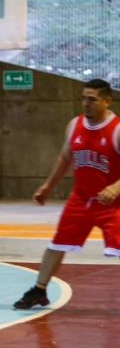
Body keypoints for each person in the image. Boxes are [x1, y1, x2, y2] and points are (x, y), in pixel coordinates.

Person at [14, 79, 120, 309]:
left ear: (107, 101)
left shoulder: (117, 129)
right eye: (84, 98)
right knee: (57, 244)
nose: (86, 103)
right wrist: (48, 186)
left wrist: (116, 187)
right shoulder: (75, 125)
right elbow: (65, 157)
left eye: (92, 99)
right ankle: (39, 290)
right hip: (81, 199)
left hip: (112, 204)